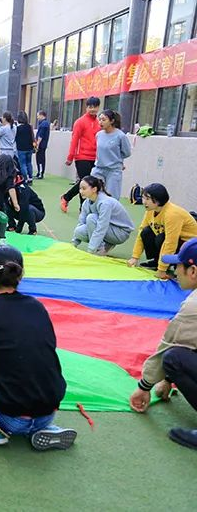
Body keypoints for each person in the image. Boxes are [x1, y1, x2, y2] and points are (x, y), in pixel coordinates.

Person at [0, 246, 76, 451]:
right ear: (21, 274)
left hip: (8, 415)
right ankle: (42, 427)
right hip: (49, 409)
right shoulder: (37, 306)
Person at [129, 237, 197, 450]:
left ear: (192, 271)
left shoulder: (193, 306)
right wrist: (168, 380)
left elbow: (170, 345)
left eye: (178, 265)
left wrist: (144, 386)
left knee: (173, 358)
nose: (175, 271)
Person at [128, 183, 197, 278]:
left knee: (161, 238)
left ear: (157, 201)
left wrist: (162, 269)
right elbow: (141, 232)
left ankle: (172, 264)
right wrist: (134, 257)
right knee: (146, 232)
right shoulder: (150, 210)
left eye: (147, 199)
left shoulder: (172, 214)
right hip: (175, 242)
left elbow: (170, 242)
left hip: (190, 247)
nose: (144, 202)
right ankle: (157, 261)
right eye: (143, 198)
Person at [72, 176, 134, 255]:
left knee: (91, 218)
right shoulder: (87, 202)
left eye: (84, 189)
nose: (81, 191)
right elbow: (81, 222)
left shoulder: (104, 203)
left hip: (121, 233)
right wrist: (74, 244)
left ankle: (100, 249)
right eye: (80, 188)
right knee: (79, 231)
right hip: (109, 228)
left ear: (94, 189)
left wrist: (91, 250)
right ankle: (106, 245)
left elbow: (102, 227)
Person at [61, 96, 101, 213]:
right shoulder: (80, 122)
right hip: (82, 157)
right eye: (90, 107)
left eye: (95, 107)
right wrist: (70, 156)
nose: (92, 109)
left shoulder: (99, 123)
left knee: (89, 183)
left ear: (98, 107)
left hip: (95, 157)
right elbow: (74, 140)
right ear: (86, 107)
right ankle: (83, 209)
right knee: (86, 183)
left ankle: (66, 197)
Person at [92, 109, 132, 199]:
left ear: (112, 121)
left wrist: (118, 160)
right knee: (94, 194)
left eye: (104, 120)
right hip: (98, 169)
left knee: (112, 197)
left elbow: (127, 152)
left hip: (113, 171)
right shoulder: (99, 135)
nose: (101, 122)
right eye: (100, 119)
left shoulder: (120, 136)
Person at [15, 111, 35, 184]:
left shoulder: (17, 128)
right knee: (29, 163)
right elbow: (32, 137)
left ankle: (25, 178)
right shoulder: (29, 127)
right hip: (29, 147)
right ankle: (30, 178)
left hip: (21, 148)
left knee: (22, 164)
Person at [34, 110, 50, 179]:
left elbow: (41, 135)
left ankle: (40, 173)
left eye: (38, 116)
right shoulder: (44, 123)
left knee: (40, 159)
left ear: (41, 115)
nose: (37, 117)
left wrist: (37, 144)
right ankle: (39, 172)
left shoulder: (44, 124)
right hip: (42, 144)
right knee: (39, 159)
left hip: (41, 145)